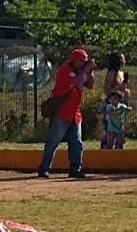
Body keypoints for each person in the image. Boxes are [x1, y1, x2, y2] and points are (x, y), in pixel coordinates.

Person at [37, 47, 95, 179]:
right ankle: (44, 168)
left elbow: (90, 85)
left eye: (85, 61)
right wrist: (86, 70)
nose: (83, 63)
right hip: (62, 112)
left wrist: (90, 71)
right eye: (81, 61)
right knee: (53, 141)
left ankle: (75, 169)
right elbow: (78, 83)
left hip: (75, 113)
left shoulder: (82, 71)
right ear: (74, 60)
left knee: (76, 142)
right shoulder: (65, 70)